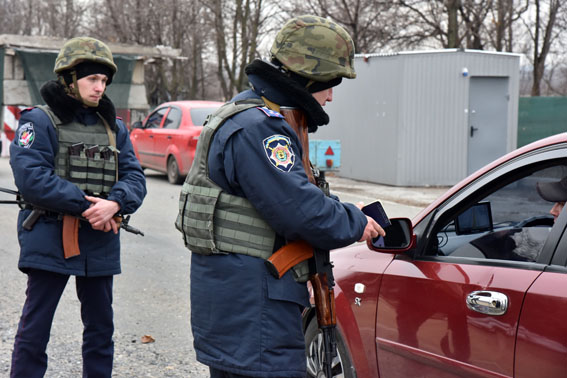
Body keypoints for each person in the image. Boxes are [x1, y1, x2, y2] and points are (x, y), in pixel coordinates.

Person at [175, 15, 384, 378]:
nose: (331, 95)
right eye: (329, 82)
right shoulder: (260, 128)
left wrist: (342, 209)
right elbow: (301, 213)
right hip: (254, 308)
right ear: (305, 78)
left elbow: (288, 196)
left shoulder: (248, 116)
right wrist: (356, 221)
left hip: (239, 301)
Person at [9, 37, 147, 377]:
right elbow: (32, 178)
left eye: (104, 81)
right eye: (92, 79)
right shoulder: (38, 121)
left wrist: (115, 202)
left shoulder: (114, 128)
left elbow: (135, 177)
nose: (100, 88)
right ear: (70, 79)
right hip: (49, 233)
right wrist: (89, 206)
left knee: (101, 330)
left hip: (100, 239)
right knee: (35, 329)